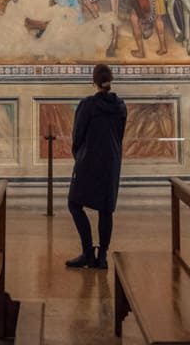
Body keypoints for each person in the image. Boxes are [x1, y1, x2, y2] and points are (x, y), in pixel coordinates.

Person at [65, 63, 128, 270]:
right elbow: (120, 134)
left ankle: (87, 252)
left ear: (94, 81)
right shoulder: (120, 106)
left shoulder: (88, 105)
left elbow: (78, 135)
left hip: (89, 160)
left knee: (74, 203)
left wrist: (78, 154)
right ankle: (102, 256)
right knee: (106, 209)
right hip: (111, 161)